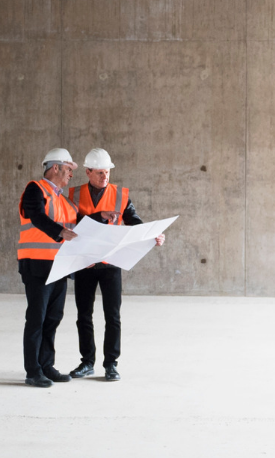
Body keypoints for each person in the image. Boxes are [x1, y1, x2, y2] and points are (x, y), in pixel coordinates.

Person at [67, 148, 164, 382]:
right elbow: (70, 223)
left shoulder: (120, 195)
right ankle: (87, 363)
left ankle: (111, 364)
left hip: (111, 263)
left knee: (113, 316)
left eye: (107, 171)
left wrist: (153, 235)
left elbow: (134, 223)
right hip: (85, 263)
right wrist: (99, 215)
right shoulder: (73, 195)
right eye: (100, 172)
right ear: (88, 172)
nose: (105, 176)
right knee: (84, 316)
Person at [18, 148, 81, 388]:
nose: (71, 175)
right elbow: (34, 214)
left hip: (59, 266)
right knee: (37, 318)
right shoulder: (35, 188)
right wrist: (59, 232)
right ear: (55, 168)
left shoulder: (63, 199)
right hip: (37, 265)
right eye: (68, 169)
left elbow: (77, 224)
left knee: (53, 318)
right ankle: (33, 371)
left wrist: (102, 218)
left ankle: (46, 366)